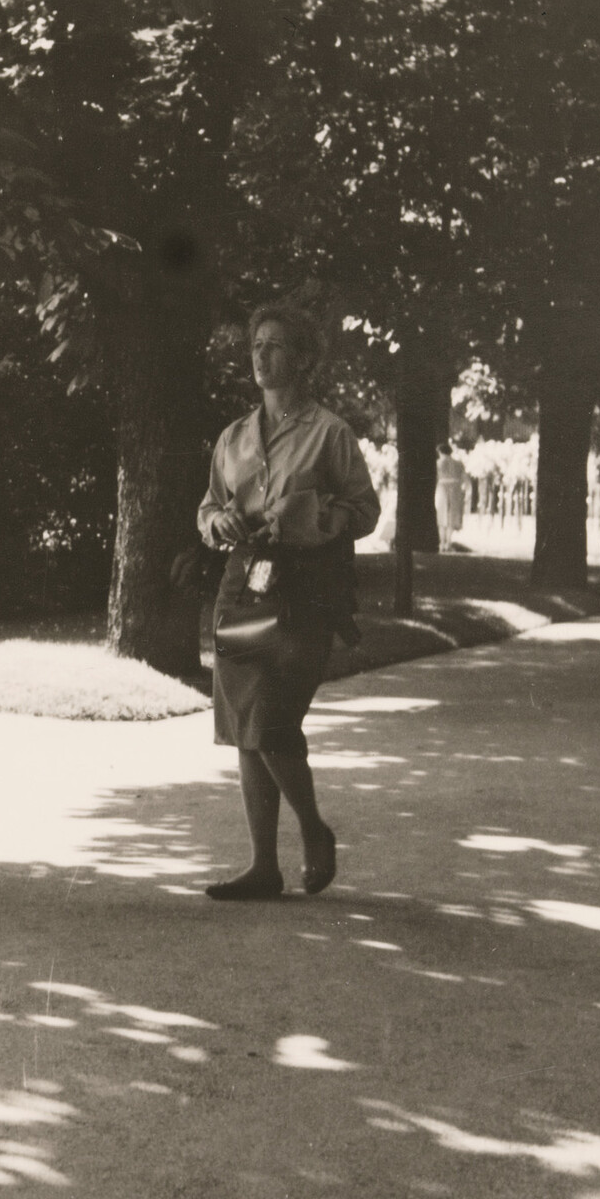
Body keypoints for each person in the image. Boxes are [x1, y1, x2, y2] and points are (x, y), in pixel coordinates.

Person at [198, 301, 382, 901]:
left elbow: (365, 511)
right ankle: (263, 866)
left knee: (272, 719)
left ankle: (312, 830)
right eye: (256, 344)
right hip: (242, 585)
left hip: (306, 589)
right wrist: (219, 522)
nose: (262, 354)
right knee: (245, 726)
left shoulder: (330, 433)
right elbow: (208, 507)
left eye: (275, 345)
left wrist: (309, 516)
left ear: (302, 360)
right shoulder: (234, 437)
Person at [435, 439, 468, 544]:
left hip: (441, 489)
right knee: (452, 516)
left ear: (440, 452)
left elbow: (435, 478)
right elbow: (464, 478)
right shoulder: (459, 463)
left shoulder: (438, 463)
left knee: (441, 516)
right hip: (455, 489)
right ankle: (448, 542)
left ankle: (442, 542)